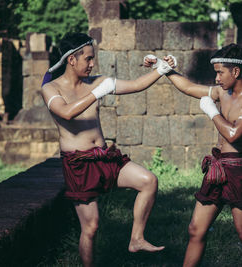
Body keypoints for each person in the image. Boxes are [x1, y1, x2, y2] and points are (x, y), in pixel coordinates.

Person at [41, 32, 175, 267]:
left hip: (104, 157)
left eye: (93, 59)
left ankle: (136, 238)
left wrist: (161, 69)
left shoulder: (96, 82)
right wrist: (98, 92)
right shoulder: (51, 89)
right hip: (78, 163)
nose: (93, 64)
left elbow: (135, 85)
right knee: (91, 227)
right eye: (88, 59)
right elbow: (66, 112)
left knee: (148, 181)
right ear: (72, 59)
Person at [144, 43, 242, 267]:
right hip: (216, 168)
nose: (217, 78)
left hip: (239, 170)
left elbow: (234, 135)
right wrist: (164, 69)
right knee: (195, 229)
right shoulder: (223, 91)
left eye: (220, 72)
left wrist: (212, 112)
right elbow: (190, 88)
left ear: (236, 71)